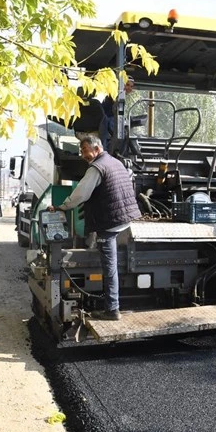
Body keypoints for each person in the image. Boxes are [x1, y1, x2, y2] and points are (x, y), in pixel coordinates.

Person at [48, 134, 141, 321]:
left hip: (110, 221)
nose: (82, 155)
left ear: (96, 149)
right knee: (110, 258)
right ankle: (112, 303)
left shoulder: (96, 168)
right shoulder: (115, 162)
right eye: (81, 151)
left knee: (110, 267)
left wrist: (61, 207)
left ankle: (112, 309)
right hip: (125, 217)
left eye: (84, 150)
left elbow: (79, 195)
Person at [100, 76, 134, 152]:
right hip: (106, 122)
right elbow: (115, 114)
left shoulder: (121, 97)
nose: (129, 88)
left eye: (131, 86)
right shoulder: (115, 96)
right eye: (127, 85)